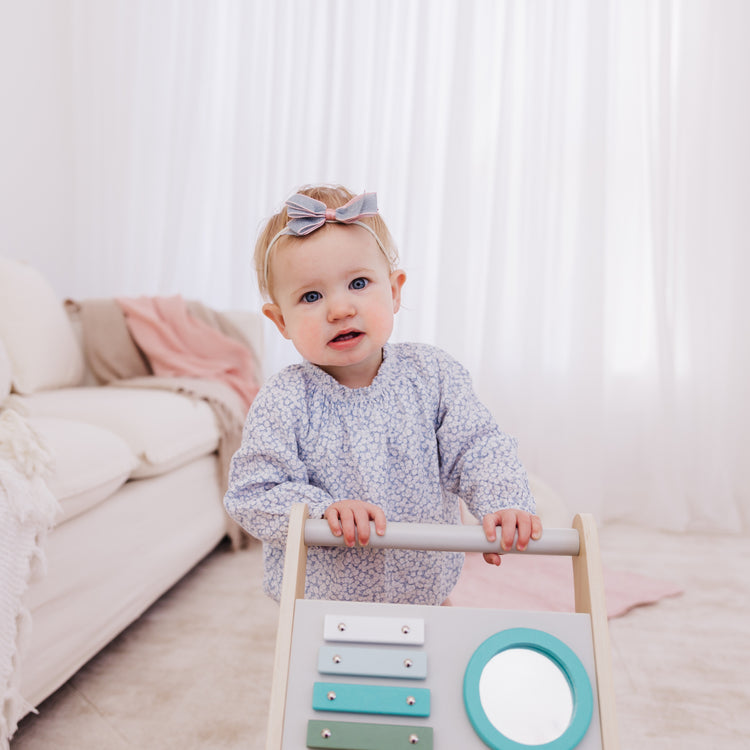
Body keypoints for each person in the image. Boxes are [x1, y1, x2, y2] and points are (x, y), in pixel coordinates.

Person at [224, 184, 542, 605]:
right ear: (280, 321)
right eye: (311, 296)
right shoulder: (285, 399)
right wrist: (323, 510)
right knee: (325, 671)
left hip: (427, 587)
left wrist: (502, 502)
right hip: (323, 603)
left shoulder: (433, 375)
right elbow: (253, 491)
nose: (339, 310)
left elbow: (478, 447)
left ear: (394, 291)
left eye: (358, 283)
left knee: (434, 664)